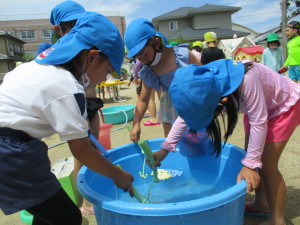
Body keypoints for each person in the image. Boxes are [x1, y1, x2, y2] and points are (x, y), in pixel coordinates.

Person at [0, 12, 134, 225]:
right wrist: (119, 176)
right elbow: (80, 150)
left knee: (48, 214)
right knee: (69, 218)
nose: (104, 79)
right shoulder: (66, 86)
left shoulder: (32, 67)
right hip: (11, 154)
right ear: (92, 57)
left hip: (14, 148)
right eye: (108, 70)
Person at [166, 59, 300, 225]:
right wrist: (167, 146)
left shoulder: (247, 79)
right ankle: (262, 203)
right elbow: (185, 117)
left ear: (220, 101)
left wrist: (250, 165)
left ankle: (277, 219)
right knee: (251, 155)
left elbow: (259, 122)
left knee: (266, 164)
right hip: (259, 109)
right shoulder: (205, 83)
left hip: (282, 106)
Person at [50, 0, 101, 214]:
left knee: (94, 149)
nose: (75, 28)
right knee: (81, 153)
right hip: (75, 105)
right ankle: (83, 201)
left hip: (91, 102)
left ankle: (90, 196)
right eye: (70, 25)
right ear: (59, 29)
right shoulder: (59, 51)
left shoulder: (88, 43)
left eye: (79, 23)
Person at [124, 18, 200, 142]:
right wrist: (136, 123)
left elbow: (204, 76)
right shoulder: (148, 71)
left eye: (145, 54)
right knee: (172, 144)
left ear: (156, 43)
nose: (143, 61)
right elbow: (143, 100)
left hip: (191, 102)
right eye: (138, 58)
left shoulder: (182, 55)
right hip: (170, 107)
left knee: (196, 141)